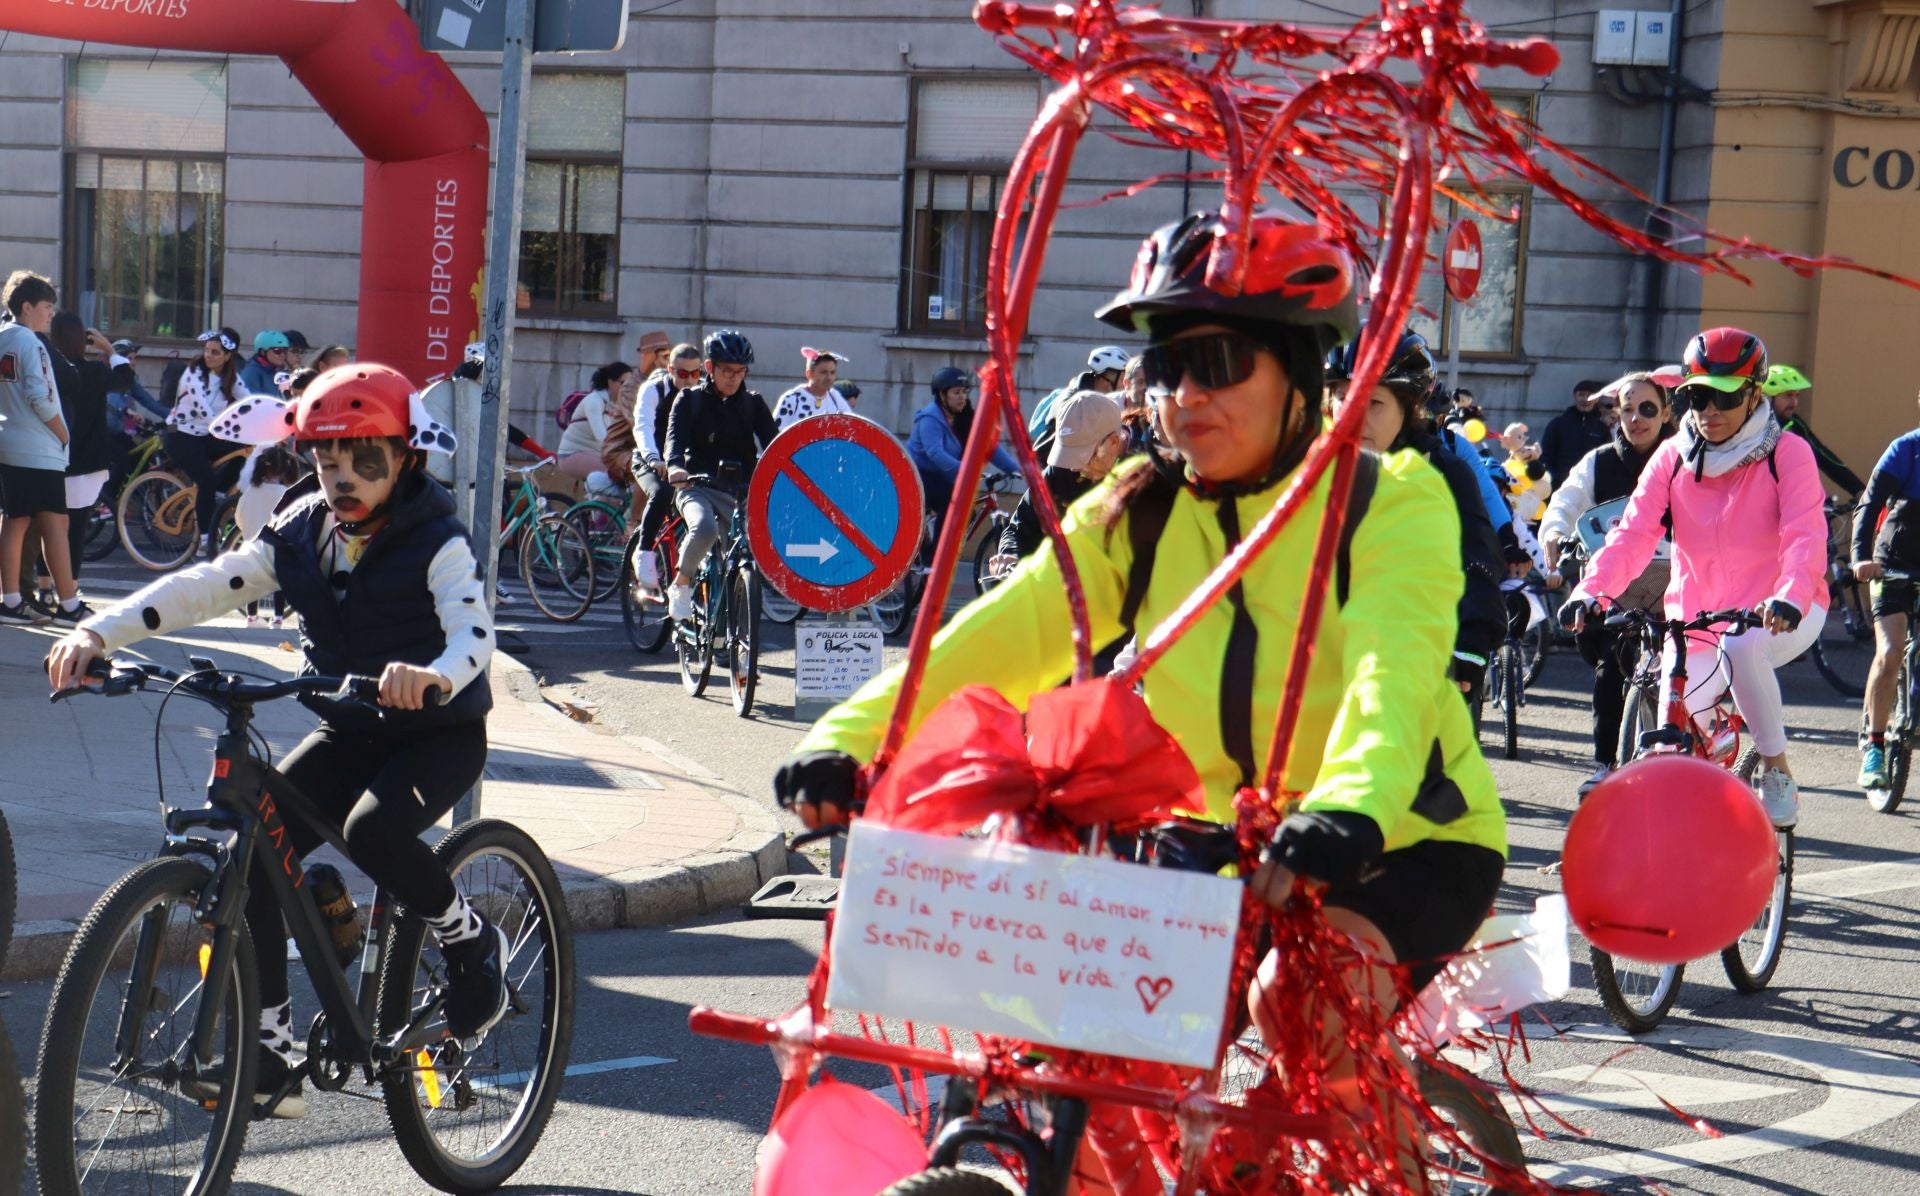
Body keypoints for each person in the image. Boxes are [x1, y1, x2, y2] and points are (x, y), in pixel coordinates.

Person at [776, 211, 1505, 1186]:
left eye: (1217, 362)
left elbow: (1394, 675)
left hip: (1398, 837)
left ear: (1300, 373)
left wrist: (1351, 807)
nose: (1181, 395)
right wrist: (850, 740)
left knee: (1306, 1005)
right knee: (1097, 1059)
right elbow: (999, 635)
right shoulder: (1141, 503)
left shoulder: (1388, 501)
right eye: (1163, 367)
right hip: (1215, 832)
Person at [46, 363, 509, 1118]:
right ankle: (271, 1053)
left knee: (371, 831)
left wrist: (434, 677)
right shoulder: (301, 532)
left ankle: (467, 935)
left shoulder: (436, 537)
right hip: (354, 725)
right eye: (327, 461)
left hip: (437, 732)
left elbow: (474, 634)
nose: (342, 478)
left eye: (366, 460)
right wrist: (99, 629)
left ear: (406, 460)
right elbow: (206, 585)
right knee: (254, 856)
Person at [1562, 328, 1827, 828]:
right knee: (1672, 742)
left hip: (1784, 610)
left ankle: (1776, 770)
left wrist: (1789, 596)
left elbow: (1804, 536)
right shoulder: (1673, 456)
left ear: (1754, 394)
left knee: (1743, 648)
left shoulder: (1788, 453)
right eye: (1697, 396)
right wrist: (1590, 591)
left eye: (1724, 396)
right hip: (1699, 617)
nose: (1708, 410)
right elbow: (1633, 535)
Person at [1327, 326, 1505, 706]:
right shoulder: (1306, 471)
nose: (1355, 416)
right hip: (1319, 665)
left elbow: (1476, 559)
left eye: (1373, 404)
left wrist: (1471, 642)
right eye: (1343, 398)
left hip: (1411, 666)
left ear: (1408, 409)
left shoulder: (1444, 472)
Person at [1539, 371, 1676, 793]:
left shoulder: (1684, 458)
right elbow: (1566, 498)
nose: (1636, 419)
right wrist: (1554, 535)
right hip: (1614, 585)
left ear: (1667, 411)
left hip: (1676, 582)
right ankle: (1603, 764)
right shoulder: (1598, 461)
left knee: (1696, 667)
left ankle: (1690, 764)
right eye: (1628, 409)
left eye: (1648, 409)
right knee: (1611, 664)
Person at [663, 330, 779, 620]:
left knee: (745, 555)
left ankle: (727, 626)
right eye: (727, 370)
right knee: (704, 529)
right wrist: (676, 466)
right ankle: (681, 583)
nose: (734, 378)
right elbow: (674, 441)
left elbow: (776, 446)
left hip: (739, 490)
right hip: (696, 485)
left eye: (740, 371)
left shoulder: (753, 404)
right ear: (709, 368)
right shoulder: (689, 400)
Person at [1849, 390, 1920, 790]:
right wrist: (1860, 556)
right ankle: (1873, 744)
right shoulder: (1906, 450)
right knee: (1891, 651)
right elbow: (1870, 503)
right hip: (1892, 563)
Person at [0, 271, 79, 626]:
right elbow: (40, 396)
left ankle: (11, 600)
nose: (51, 313)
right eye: (47, 306)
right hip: (37, 446)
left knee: (14, 520)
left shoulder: (3, 337)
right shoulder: (31, 342)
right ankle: (69, 605)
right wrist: (62, 434)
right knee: (56, 522)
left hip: (8, 438)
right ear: (27, 306)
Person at [990, 389, 1126, 570]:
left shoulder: (1142, 475)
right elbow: (1019, 529)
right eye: (1068, 453)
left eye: (1082, 455)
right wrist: (1010, 555)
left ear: (1114, 442)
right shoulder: (1059, 473)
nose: (1073, 466)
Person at [47, 313, 128, 591]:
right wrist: (110, 349)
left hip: (53, 460)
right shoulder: (94, 372)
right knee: (76, 532)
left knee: (47, 532)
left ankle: (47, 591)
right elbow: (125, 379)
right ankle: (69, 590)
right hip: (88, 465)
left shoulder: (48, 370)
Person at [908, 366, 1020, 546]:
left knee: (966, 511)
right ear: (942, 395)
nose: (962, 397)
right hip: (918, 476)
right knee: (950, 500)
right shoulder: (929, 419)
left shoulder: (965, 417)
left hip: (943, 477)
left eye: (964, 392)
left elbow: (987, 446)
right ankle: (935, 558)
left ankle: (940, 550)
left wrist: (1017, 469)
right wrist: (967, 470)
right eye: (956, 392)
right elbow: (935, 453)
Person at [166, 327, 251, 559]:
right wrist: (223, 429)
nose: (209, 356)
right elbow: (201, 407)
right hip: (180, 434)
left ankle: (219, 495)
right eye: (207, 350)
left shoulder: (230, 377)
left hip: (206, 436)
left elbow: (249, 401)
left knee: (245, 449)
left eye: (215, 352)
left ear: (227, 356)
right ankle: (205, 539)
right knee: (206, 480)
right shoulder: (192, 373)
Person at [627, 342, 704, 590]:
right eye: (682, 374)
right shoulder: (654, 390)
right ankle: (645, 551)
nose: (690, 380)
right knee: (662, 492)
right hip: (650, 459)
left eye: (695, 374)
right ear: (670, 369)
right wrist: (653, 459)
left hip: (681, 461)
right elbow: (643, 427)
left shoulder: (701, 395)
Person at [1765, 364, 1865, 497]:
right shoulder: (1754, 427)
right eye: (1788, 396)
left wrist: (1859, 490)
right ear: (1769, 398)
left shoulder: (1794, 423)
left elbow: (1823, 456)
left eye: (1796, 396)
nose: (1794, 403)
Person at [1027, 345, 1131, 460]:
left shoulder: (1095, 399)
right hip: (1051, 467)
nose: (1124, 384)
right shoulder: (1073, 400)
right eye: (1121, 378)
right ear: (1106, 377)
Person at [555, 361, 632, 485]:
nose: (627, 389)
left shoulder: (618, 405)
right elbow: (602, 437)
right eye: (622, 383)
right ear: (610, 382)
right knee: (620, 472)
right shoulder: (593, 401)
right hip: (571, 455)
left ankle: (598, 503)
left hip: (597, 455)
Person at [1540, 378, 1610, 491]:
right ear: (1575, 397)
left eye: (1590, 395)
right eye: (1581, 395)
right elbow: (1545, 457)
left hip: (1591, 489)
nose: (1586, 399)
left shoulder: (1602, 428)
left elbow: (1607, 460)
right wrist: (1555, 479)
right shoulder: (1557, 425)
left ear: (1597, 399)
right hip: (1559, 488)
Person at [773, 348, 854, 431]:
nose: (829, 377)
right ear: (809, 374)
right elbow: (775, 438)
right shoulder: (791, 400)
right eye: (823, 372)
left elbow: (852, 429)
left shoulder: (836, 398)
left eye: (832, 372)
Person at [240, 330, 291, 397]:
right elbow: (250, 402)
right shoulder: (251, 372)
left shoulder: (280, 371)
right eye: (277, 351)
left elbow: (285, 397)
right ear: (263, 352)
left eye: (285, 351)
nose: (282, 355)